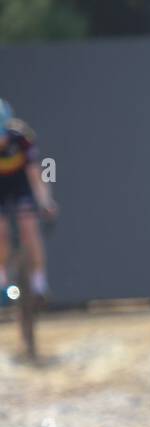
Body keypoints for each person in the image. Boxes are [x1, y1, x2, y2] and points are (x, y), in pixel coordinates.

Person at [0, 98, 57, 303]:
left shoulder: (22, 138)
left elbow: (34, 175)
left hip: (21, 186)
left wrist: (45, 202)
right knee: (1, 232)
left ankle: (39, 283)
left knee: (29, 227)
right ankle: (2, 281)